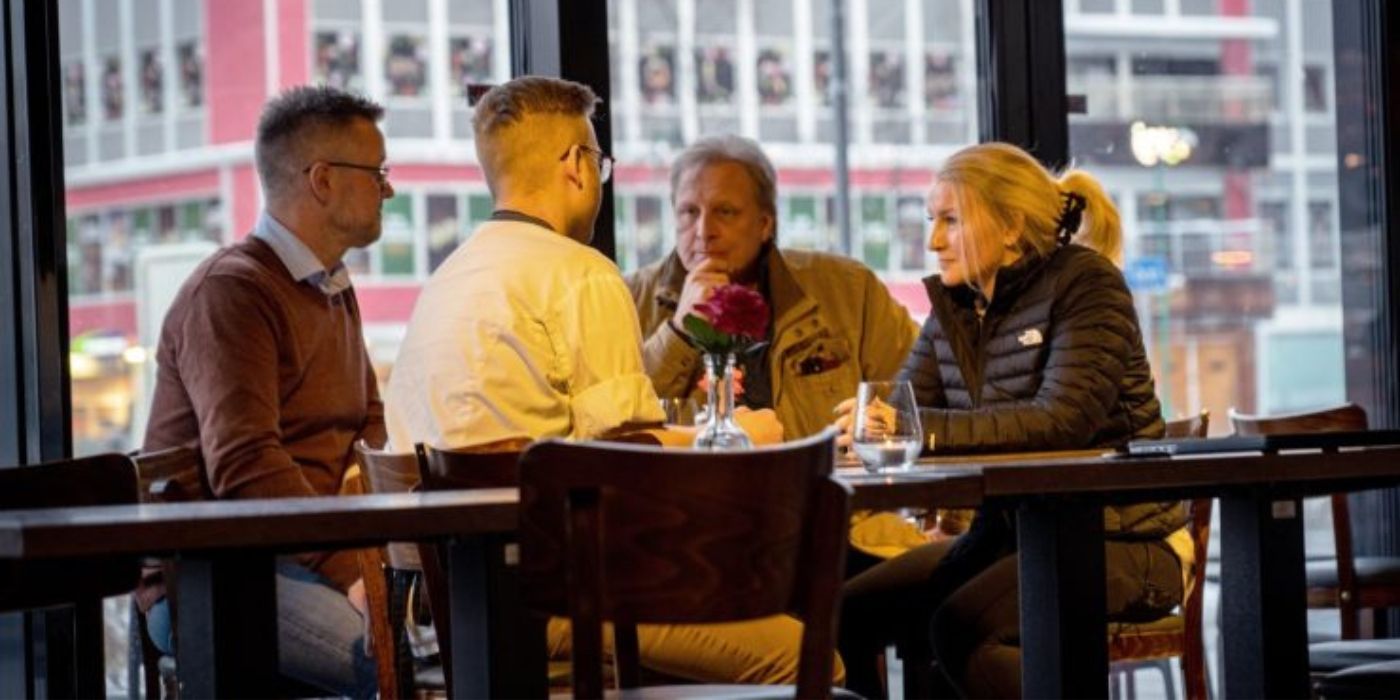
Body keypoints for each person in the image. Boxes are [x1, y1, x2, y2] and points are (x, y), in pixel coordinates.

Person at [383, 76, 832, 686]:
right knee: (809, 655)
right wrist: (740, 436)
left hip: (441, 613)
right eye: (599, 161)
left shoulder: (445, 280)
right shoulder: (579, 274)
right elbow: (632, 473)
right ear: (576, 164)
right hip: (557, 596)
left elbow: (585, 448)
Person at [834, 142, 1188, 698]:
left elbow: (1059, 422)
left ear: (1009, 227)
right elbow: (903, 410)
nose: (932, 241)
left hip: (1116, 542)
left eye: (951, 220)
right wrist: (864, 428)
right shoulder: (957, 306)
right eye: (932, 221)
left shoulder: (1087, 284)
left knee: (960, 625)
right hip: (1004, 538)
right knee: (844, 612)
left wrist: (904, 426)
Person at [141, 85, 393, 698]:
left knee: (462, 630)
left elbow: (370, 427)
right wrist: (353, 569)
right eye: (378, 172)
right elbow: (247, 468)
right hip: (218, 573)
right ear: (323, 180)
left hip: (310, 554)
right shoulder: (232, 292)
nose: (389, 188)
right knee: (394, 662)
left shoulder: (330, 285)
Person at [627, 134, 924, 569]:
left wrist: (878, 421)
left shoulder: (847, 290)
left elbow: (923, 399)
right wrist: (680, 329)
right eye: (689, 212)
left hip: (838, 530)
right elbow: (621, 424)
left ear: (766, 223)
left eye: (725, 212)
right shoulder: (630, 299)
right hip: (695, 540)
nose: (703, 231)